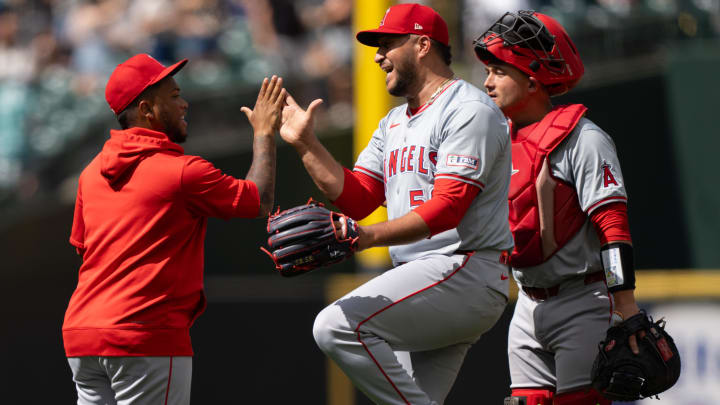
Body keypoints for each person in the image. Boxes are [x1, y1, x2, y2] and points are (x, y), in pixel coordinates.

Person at [278, 4, 513, 405]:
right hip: (422, 279)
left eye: (387, 43)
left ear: (422, 45)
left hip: (464, 269)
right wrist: (306, 144)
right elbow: (358, 198)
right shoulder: (394, 123)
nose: (376, 55)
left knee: (335, 326)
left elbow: (447, 209)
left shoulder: (467, 110)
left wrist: (366, 237)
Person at [62, 53, 286, 405]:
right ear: (148, 110)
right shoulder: (182, 172)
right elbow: (257, 202)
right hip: (144, 334)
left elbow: (84, 250)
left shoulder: (90, 173)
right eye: (175, 95)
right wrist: (263, 133)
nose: (184, 104)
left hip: (83, 335)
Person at [474, 11, 642, 405]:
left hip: (582, 300)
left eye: (498, 71)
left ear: (531, 80)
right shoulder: (495, 140)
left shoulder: (584, 139)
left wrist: (626, 304)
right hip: (527, 303)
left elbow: (613, 228)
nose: (487, 82)